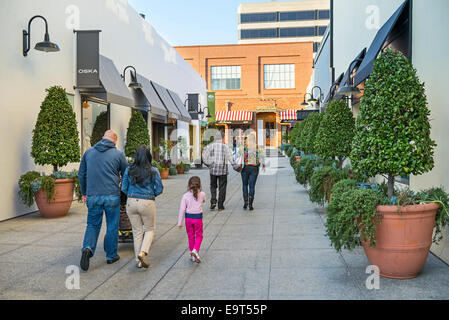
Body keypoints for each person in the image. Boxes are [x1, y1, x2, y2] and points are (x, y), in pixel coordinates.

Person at [78, 130, 128, 271]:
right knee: (112, 226)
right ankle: (111, 256)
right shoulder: (118, 154)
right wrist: (121, 185)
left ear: (102, 138)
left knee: (92, 225)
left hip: (93, 195)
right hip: (112, 195)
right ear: (115, 141)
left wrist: (84, 192)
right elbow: (126, 173)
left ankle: (87, 248)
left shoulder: (88, 153)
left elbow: (81, 174)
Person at [121, 145, 163, 269]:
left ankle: (138, 261)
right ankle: (142, 252)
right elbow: (159, 189)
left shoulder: (129, 169)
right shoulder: (153, 170)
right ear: (148, 156)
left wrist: (131, 195)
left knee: (137, 232)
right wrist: (151, 195)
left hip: (131, 202)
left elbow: (123, 187)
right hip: (147, 202)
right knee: (149, 229)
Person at [202, 130, 239, 211]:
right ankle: (220, 205)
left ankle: (213, 201)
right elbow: (230, 158)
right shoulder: (225, 147)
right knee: (222, 187)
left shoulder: (210, 146)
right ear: (222, 138)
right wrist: (235, 166)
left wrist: (209, 165)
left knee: (213, 186)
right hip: (223, 170)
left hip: (213, 170)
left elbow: (204, 158)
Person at [178, 176, 206, 263]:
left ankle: (192, 255)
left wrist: (180, 222)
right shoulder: (202, 194)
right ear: (199, 185)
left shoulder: (185, 196)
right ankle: (195, 250)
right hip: (198, 218)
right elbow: (204, 200)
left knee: (190, 236)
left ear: (189, 185)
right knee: (199, 235)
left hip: (188, 219)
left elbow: (182, 209)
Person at [240, 133, 265, 211]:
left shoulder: (243, 147)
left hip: (245, 168)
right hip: (254, 168)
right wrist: (263, 165)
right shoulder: (257, 147)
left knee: (244, 185)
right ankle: (250, 204)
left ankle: (245, 203)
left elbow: (237, 155)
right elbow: (261, 156)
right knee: (252, 186)